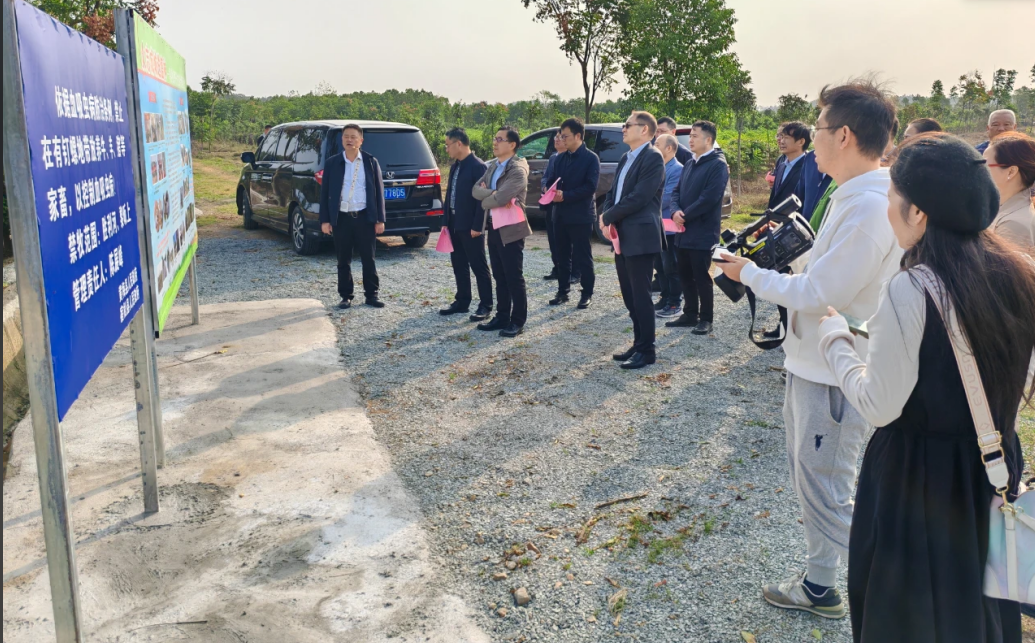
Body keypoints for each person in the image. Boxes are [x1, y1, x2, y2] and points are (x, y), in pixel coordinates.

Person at [818, 133, 1032, 643]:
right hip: (993, 465)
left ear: (918, 212)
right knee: (982, 599)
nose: (887, 208)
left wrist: (836, 342)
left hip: (916, 476)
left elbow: (879, 405)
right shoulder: (1021, 272)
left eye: (892, 196)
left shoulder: (911, 287)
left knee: (910, 614)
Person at [716, 81, 902, 618]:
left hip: (835, 372)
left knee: (827, 489)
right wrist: (778, 257)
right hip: (814, 363)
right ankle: (821, 585)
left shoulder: (869, 207)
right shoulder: (851, 196)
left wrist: (749, 274)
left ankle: (912, 585)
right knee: (816, 481)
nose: (810, 137)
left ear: (843, 135)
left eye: (817, 127)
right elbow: (822, 275)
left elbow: (823, 295)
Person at [599, 111, 666, 370]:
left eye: (627, 125)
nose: (623, 129)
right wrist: (606, 215)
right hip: (623, 234)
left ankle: (647, 351)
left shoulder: (653, 157)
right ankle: (639, 343)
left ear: (645, 130)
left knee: (641, 295)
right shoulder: (626, 157)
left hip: (641, 236)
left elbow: (640, 197)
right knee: (629, 295)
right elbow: (613, 193)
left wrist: (608, 216)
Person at [667, 120, 730, 335]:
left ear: (708, 139)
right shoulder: (690, 163)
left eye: (694, 136)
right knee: (684, 274)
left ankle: (706, 319)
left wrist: (684, 215)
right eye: (690, 136)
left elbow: (709, 199)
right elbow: (676, 192)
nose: (690, 140)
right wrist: (675, 211)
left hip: (702, 231)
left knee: (701, 276)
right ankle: (690, 313)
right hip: (682, 231)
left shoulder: (717, 165)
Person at [472, 127, 532, 338]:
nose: (495, 142)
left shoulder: (518, 169)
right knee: (499, 274)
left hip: (511, 228)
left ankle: (517, 321)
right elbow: (475, 190)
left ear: (512, 144)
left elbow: (501, 198)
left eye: (500, 139)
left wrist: (489, 198)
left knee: (513, 276)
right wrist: (493, 194)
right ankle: (502, 316)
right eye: (495, 138)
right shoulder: (493, 166)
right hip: (493, 226)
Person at [319, 124, 386, 309]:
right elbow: (324, 193)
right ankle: (345, 295)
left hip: (364, 217)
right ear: (342, 139)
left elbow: (379, 192)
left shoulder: (370, 162)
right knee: (343, 259)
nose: (349, 140)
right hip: (342, 218)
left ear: (361, 140)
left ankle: (372, 295)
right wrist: (325, 220)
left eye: (353, 137)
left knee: (368, 258)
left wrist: (380, 219)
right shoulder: (332, 163)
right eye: (346, 136)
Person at [439, 127, 493, 320]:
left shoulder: (478, 167)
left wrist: (478, 226)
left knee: (478, 266)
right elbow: (449, 195)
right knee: (459, 264)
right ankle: (462, 301)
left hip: (471, 226)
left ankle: (486, 305)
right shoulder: (455, 165)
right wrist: (445, 221)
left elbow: (483, 201)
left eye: (448, 145)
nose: (447, 149)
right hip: (455, 223)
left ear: (459, 144)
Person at [548, 117, 600, 309]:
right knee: (561, 255)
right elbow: (552, 180)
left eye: (565, 136)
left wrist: (566, 195)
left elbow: (590, 187)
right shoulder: (560, 158)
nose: (562, 139)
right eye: (560, 136)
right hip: (560, 214)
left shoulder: (591, 158)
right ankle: (562, 291)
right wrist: (548, 190)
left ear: (578, 136)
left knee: (582, 256)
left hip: (580, 215)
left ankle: (587, 293)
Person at [983, 132, 1035, 253]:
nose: (980, 170)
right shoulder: (1003, 209)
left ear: (1011, 172)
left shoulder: (1013, 224)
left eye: (985, 164)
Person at [656, 134, 683, 318]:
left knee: (671, 266)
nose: (654, 147)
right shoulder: (659, 167)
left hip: (669, 227)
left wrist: (645, 200)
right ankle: (665, 297)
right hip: (657, 225)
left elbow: (666, 198)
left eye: (658, 144)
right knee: (659, 265)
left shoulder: (677, 169)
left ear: (669, 148)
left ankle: (675, 302)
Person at [769, 122, 811, 209]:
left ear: (801, 142)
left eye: (787, 138)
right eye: (782, 137)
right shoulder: (781, 166)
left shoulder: (808, 169)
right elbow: (774, 198)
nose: (782, 141)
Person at [541, 131, 564, 281]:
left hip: (564, 202)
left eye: (561, 137)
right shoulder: (553, 158)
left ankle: (571, 270)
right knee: (552, 237)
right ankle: (557, 267)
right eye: (556, 137)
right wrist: (545, 187)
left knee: (565, 240)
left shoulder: (570, 159)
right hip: (550, 202)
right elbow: (545, 178)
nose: (557, 139)